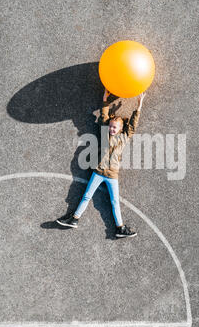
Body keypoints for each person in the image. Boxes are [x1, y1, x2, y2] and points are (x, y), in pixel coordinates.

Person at [56, 88, 146, 238]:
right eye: (110, 126)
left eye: (114, 127)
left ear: (120, 129)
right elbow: (104, 116)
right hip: (98, 171)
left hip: (112, 175)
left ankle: (120, 228)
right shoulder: (104, 132)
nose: (111, 129)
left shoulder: (124, 137)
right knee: (86, 195)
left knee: (114, 201)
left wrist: (139, 106)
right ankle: (74, 219)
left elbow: (132, 126)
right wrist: (105, 99)